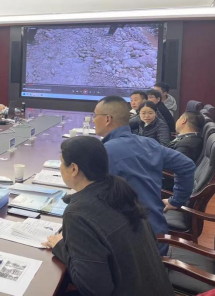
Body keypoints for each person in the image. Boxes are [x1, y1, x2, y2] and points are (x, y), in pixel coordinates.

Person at [43, 137, 174, 296]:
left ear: (74, 169)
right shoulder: (120, 190)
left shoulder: (77, 214)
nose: (60, 167)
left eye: (61, 163)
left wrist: (60, 246)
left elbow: (94, 289)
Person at [93, 96, 195, 255]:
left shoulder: (105, 153)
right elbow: (187, 165)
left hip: (133, 247)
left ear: (107, 119)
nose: (93, 120)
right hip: (157, 235)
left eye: (94, 116)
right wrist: (177, 200)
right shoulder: (149, 144)